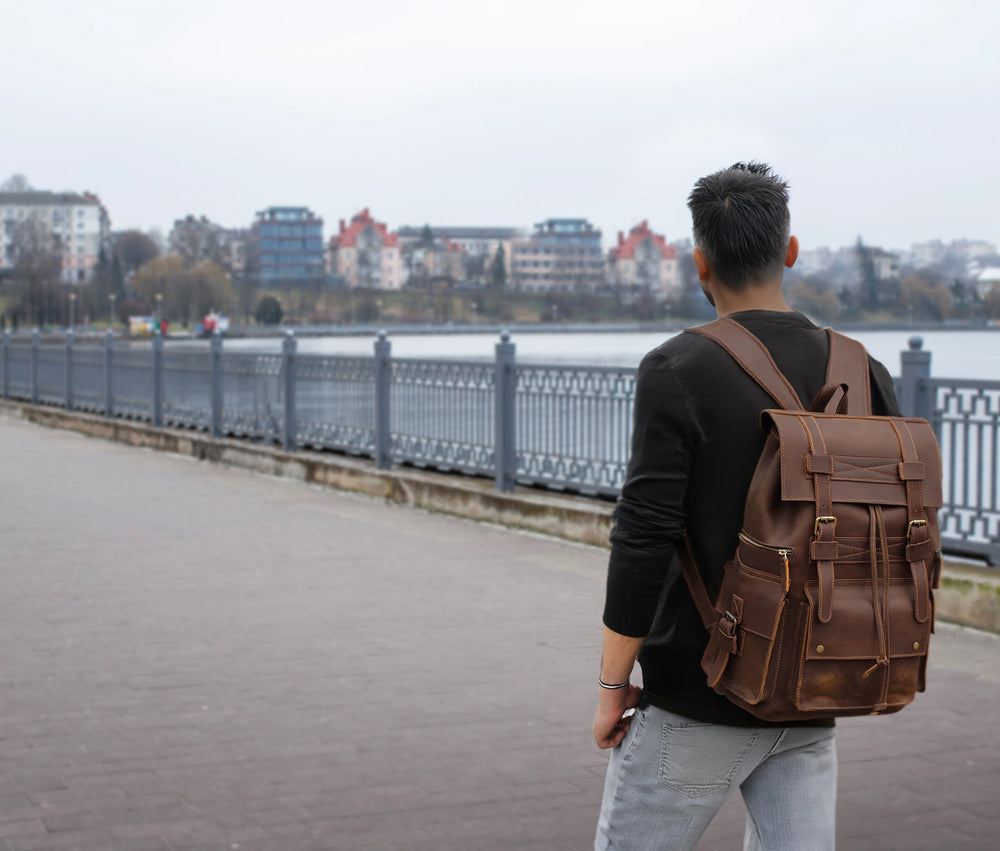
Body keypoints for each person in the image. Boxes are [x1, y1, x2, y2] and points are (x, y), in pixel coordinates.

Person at [592, 161, 900, 850]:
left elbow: (642, 538)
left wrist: (613, 682)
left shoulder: (677, 369)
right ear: (789, 252)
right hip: (817, 685)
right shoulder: (861, 370)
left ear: (699, 262)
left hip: (699, 696)